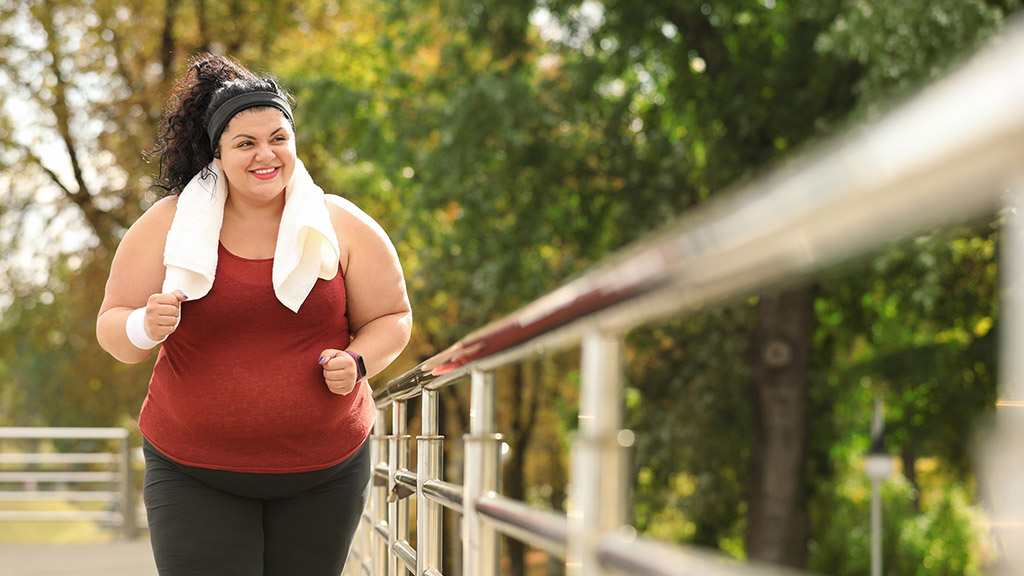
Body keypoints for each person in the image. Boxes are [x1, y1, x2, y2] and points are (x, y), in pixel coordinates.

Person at [96, 53, 412, 575]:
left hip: (325, 474)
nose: (265, 154)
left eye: (278, 138)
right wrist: (143, 325)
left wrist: (357, 363)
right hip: (191, 472)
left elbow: (393, 316)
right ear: (217, 154)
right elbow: (114, 332)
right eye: (245, 143)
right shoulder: (168, 224)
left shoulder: (343, 224)